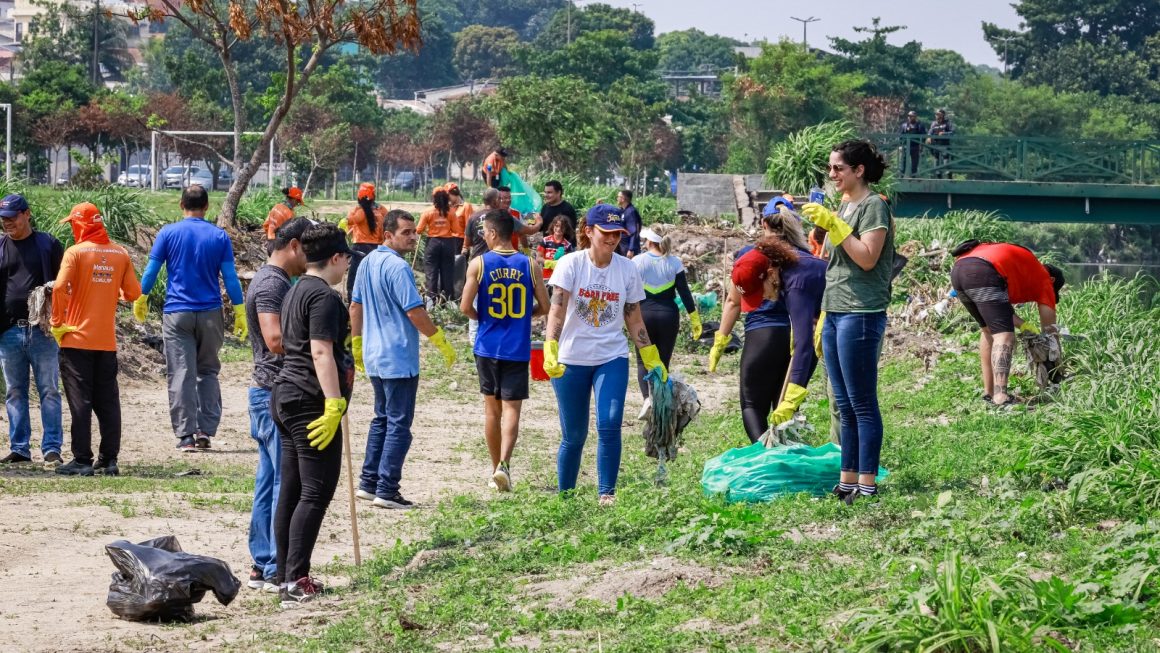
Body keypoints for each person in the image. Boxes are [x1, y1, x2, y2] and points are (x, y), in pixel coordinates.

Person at [543, 205, 668, 505]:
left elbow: (634, 318)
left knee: (610, 424)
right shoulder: (570, 264)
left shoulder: (627, 269)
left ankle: (606, 494)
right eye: (606, 233)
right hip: (571, 359)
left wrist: (652, 357)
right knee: (574, 435)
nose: (612, 239)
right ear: (589, 231)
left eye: (618, 234)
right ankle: (566, 497)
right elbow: (557, 310)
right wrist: (550, 347)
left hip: (611, 357)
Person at [801, 140, 895, 503]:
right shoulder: (845, 204)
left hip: (861, 310)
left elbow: (868, 258)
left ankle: (867, 483)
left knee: (861, 402)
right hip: (836, 307)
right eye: (830, 168)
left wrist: (837, 226)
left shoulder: (873, 206)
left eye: (838, 168)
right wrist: (822, 231)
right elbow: (830, 256)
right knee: (841, 402)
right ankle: (847, 480)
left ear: (859, 170)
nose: (832, 174)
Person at [271, 223, 353, 608]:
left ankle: (283, 574)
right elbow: (321, 352)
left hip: (286, 396)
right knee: (315, 491)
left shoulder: (294, 290)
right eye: (346, 261)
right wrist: (334, 402)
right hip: (310, 401)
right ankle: (295, 579)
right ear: (336, 258)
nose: (346, 268)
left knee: (291, 490)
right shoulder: (323, 297)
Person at [350, 210, 456, 510]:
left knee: (381, 419)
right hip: (397, 356)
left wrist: (357, 342)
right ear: (388, 235)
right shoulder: (398, 268)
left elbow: (355, 306)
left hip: (373, 355)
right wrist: (438, 339)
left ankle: (368, 483)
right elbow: (414, 310)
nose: (413, 237)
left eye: (413, 231)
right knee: (398, 423)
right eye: (406, 232)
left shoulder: (367, 262)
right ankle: (387, 488)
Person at [135, 185, 247, 452]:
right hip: (210, 313)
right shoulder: (219, 236)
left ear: (180, 204)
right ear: (207, 207)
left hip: (177, 314)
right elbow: (230, 278)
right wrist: (240, 310)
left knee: (181, 373)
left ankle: (185, 436)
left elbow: (151, 270)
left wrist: (142, 297)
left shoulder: (167, 233)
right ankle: (205, 431)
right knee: (207, 371)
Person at [709, 201, 827, 442]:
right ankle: (780, 456)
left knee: (752, 404)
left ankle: (765, 456)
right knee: (784, 407)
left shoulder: (749, 257)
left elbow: (733, 300)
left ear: (763, 223)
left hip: (764, 334)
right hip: (797, 333)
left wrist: (721, 339)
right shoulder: (805, 257)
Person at [460, 209, 549, 491]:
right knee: (512, 409)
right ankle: (505, 466)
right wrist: (525, 316)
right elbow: (546, 307)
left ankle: (493, 468)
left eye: (484, 231)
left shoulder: (478, 264)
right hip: (517, 347)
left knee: (491, 411)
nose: (483, 235)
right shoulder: (530, 264)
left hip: (487, 346)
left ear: (494, 233)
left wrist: (482, 319)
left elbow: (465, 307)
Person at [244, 217, 310, 593]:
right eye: (308, 251)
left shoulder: (275, 280)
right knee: (284, 483)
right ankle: (271, 565)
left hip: (266, 392)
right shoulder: (272, 284)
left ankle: (264, 562)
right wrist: (316, 343)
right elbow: (274, 339)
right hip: (272, 392)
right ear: (295, 246)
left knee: (269, 483)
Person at [50, 202, 140, 476]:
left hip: (76, 340)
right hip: (106, 342)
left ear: (80, 224)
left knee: (81, 402)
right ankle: (109, 459)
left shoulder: (75, 253)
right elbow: (134, 293)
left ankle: (82, 459)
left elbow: (58, 288)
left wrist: (57, 323)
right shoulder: (120, 253)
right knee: (108, 402)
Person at [950, 241, 1065, 406]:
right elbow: (1050, 331)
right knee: (1005, 336)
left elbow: (1001, 311)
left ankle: (988, 393)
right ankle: (1001, 397)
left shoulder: (1022, 270)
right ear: (1052, 280)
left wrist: (1024, 325)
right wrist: (1055, 361)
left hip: (960, 270)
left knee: (989, 331)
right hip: (984, 270)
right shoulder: (1044, 278)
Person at [0, 194, 64, 466]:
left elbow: (63, 284)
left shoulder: (47, 244)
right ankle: (20, 448)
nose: (7, 223)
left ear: (27, 214)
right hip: (9, 331)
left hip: (42, 331)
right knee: (14, 391)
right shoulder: (0, 246)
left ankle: (52, 448)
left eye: (12, 217)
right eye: (3, 219)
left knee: (49, 390)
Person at [631, 227, 700, 413]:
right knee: (662, 361)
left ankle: (647, 401)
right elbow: (684, 292)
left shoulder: (637, 261)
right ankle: (660, 401)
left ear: (649, 241)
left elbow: (628, 290)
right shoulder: (674, 262)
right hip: (668, 316)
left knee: (643, 361)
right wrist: (694, 317)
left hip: (643, 315)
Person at [417, 186, 463, 304]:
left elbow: (419, 230)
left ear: (434, 198)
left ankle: (430, 303)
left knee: (431, 273)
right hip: (448, 243)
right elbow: (457, 230)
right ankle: (448, 302)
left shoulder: (428, 212)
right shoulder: (451, 211)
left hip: (433, 243)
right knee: (447, 274)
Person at [342, 182, 388, 300]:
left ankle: (353, 302)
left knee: (354, 278)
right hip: (378, 248)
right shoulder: (382, 210)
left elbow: (347, 222)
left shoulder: (357, 211)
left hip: (360, 248)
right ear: (374, 195)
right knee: (375, 278)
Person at [263, 187, 306, 253]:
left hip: (270, 243)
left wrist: (269, 238)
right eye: (298, 201)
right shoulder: (289, 213)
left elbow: (266, 225)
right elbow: (291, 233)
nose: (297, 204)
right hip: (281, 247)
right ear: (294, 199)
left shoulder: (276, 207)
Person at [536, 216, 575, 285]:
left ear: (566, 229)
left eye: (562, 227)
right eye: (556, 226)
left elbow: (570, 263)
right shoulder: (545, 241)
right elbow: (538, 258)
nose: (558, 229)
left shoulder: (567, 245)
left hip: (560, 278)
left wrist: (559, 263)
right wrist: (548, 262)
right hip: (545, 277)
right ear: (553, 225)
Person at [540, 180, 578, 246]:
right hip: (548, 247)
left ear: (558, 193)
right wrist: (531, 218)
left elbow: (570, 231)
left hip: (565, 248)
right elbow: (541, 227)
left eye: (549, 192)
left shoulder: (568, 209)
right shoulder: (545, 207)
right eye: (545, 192)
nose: (546, 195)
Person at [446, 183, 473, 254]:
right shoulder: (449, 207)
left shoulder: (466, 206)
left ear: (454, 193)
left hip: (460, 241)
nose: (447, 199)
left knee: (459, 264)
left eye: (448, 196)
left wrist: (465, 246)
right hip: (449, 241)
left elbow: (468, 227)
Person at [928, 109, 954, 178]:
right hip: (936, 144)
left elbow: (952, 133)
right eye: (936, 114)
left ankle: (949, 176)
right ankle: (938, 176)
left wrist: (944, 133)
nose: (937, 115)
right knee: (936, 159)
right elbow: (930, 132)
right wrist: (929, 137)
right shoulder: (933, 123)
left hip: (945, 144)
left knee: (946, 159)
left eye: (939, 114)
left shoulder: (947, 123)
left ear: (943, 115)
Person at [616, 190, 643, 259]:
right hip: (622, 246)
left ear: (623, 198)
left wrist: (631, 249)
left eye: (618, 197)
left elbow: (634, 232)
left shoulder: (630, 212)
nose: (617, 198)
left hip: (628, 248)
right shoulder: (623, 210)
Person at [899, 111, 926, 177]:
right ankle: (901, 176)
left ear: (915, 117)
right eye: (909, 116)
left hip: (915, 146)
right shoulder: (904, 125)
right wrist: (900, 145)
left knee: (915, 163)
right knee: (903, 162)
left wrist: (921, 146)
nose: (910, 117)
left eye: (912, 116)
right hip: (906, 146)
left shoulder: (920, 125)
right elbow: (900, 136)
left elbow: (923, 137)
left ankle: (913, 176)